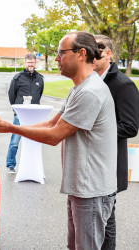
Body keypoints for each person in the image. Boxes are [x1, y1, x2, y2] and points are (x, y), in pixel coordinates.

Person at [0, 31, 117, 249]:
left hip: (92, 190)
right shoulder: (79, 89)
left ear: (81, 54)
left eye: (60, 53)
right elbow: (50, 124)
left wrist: (10, 127)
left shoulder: (90, 92)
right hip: (81, 188)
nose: (56, 58)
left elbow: (55, 135)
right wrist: (8, 127)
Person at [93, 35, 139, 250]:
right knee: (95, 220)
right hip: (93, 162)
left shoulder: (123, 84)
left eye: (97, 50)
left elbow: (130, 126)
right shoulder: (91, 80)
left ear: (108, 54)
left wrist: (93, 131)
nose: (91, 55)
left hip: (110, 163)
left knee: (106, 219)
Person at [6, 53, 44, 173]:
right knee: (15, 142)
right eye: (28, 62)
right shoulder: (18, 78)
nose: (30, 64)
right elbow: (11, 95)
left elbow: (40, 94)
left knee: (33, 142)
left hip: (34, 116)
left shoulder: (40, 78)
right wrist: (16, 110)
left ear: (35, 63)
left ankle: (32, 166)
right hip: (20, 115)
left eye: (32, 62)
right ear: (25, 63)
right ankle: (10, 165)